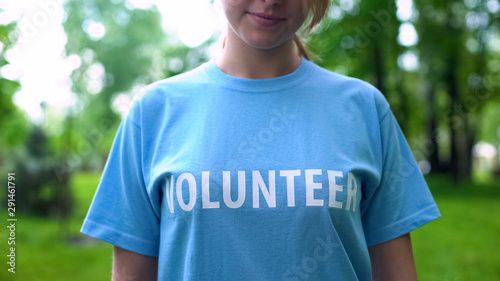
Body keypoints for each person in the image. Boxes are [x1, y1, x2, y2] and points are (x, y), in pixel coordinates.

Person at [81, 0, 441, 280]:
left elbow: (396, 274)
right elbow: (131, 276)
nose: (270, 1)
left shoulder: (363, 109)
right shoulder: (153, 112)